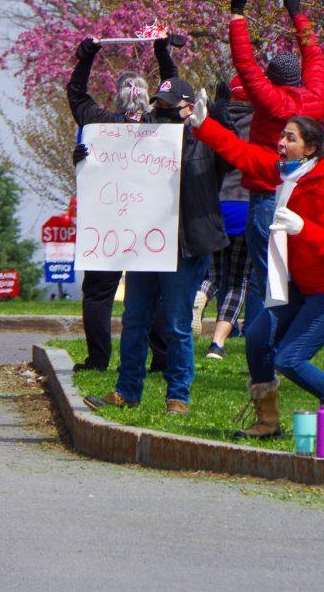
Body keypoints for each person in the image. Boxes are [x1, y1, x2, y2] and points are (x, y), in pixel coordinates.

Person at [191, 103, 324, 440]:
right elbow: (245, 155)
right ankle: (268, 422)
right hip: (300, 284)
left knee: (290, 358)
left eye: (290, 138)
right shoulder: (293, 172)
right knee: (257, 338)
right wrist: (204, 126)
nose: (280, 143)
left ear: (311, 148)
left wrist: (304, 228)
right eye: (282, 136)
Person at [84, 72, 230, 415]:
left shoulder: (206, 143)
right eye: (158, 107)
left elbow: (232, 146)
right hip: (145, 243)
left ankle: (178, 396)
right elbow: (111, 164)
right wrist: (87, 159)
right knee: (134, 318)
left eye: (170, 108)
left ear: (189, 108)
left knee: (178, 322)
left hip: (186, 245)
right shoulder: (142, 141)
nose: (162, 114)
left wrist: (210, 123)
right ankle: (127, 391)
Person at [66, 36, 184, 373]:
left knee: (99, 293)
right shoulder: (161, 126)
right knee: (154, 293)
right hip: (151, 228)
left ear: (117, 97)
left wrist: (86, 57)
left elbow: (76, 93)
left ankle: (98, 358)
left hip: (108, 227)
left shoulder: (98, 123)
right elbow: (175, 90)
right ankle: (161, 358)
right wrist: (163, 53)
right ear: (150, 97)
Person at [227, 0, 324, 345]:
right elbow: (315, 56)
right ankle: (287, 335)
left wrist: (238, 15)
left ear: (271, 79)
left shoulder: (268, 101)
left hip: (267, 195)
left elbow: (244, 63)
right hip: (303, 196)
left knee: (263, 274)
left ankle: (259, 340)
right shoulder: (316, 98)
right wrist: (297, 13)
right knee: (290, 272)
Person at [196, 76, 254, 360]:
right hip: (245, 205)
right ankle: (217, 344)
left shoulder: (215, 117)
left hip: (216, 204)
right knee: (238, 279)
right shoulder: (262, 122)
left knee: (213, 274)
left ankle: (201, 295)